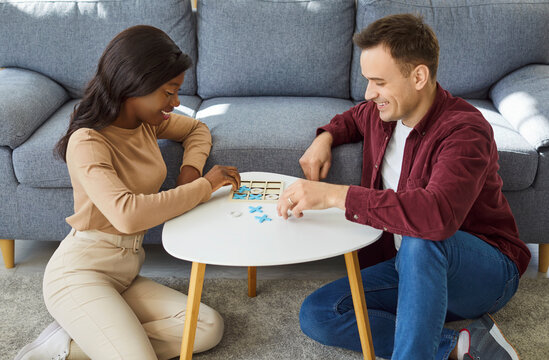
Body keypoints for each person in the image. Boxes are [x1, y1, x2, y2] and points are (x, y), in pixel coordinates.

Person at [277, 14, 530, 360]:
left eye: (379, 82)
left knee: (423, 238)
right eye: (367, 81)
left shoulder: (465, 131)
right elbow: (352, 117)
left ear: (419, 76)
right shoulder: (382, 114)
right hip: (409, 268)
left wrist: (336, 195)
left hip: (482, 273)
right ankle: (460, 346)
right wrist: (327, 136)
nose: (369, 94)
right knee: (319, 313)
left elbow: (436, 217)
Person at [15, 25, 240, 360]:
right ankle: (86, 338)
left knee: (207, 327)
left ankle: (78, 342)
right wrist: (203, 187)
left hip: (125, 273)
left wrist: (189, 172)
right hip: (80, 273)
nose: (176, 102)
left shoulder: (145, 121)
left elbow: (197, 128)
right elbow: (127, 213)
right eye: (169, 92)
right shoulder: (88, 140)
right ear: (134, 85)